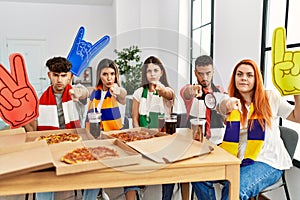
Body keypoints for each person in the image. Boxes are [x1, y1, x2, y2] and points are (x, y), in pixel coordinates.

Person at [192, 59, 300, 200]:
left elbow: (297, 117)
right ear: (234, 78)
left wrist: (295, 89)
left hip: (268, 161)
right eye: (239, 74)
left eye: (249, 75)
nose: (244, 78)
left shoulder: (269, 97)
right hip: (238, 159)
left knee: (234, 190)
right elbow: (221, 105)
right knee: (197, 175)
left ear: (256, 79)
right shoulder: (230, 101)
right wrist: (227, 105)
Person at [24, 57, 101, 200]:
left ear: (70, 76)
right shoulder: (39, 99)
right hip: (50, 145)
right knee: (43, 178)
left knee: (95, 175)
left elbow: (87, 91)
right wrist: (22, 119)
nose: (59, 80)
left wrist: (80, 92)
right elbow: (33, 131)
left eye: (63, 75)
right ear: (49, 75)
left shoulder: (75, 93)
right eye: (55, 75)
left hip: (75, 143)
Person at [162, 55, 226, 200]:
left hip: (217, 144)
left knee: (198, 173)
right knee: (170, 162)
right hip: (193, 143)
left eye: (208, 73)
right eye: (201, 73)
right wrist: (193, 90)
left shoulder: (221, 92)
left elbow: (226, 113)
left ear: (213, 72)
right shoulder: (189, 90)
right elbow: (186, 92)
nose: (204, 77)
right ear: (195, 73)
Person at [86, 58, 142, 200]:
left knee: (128, 168)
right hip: (97, 139)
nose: (109, 78)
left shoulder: (118, 93)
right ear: (99, 75)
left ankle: (132, 195)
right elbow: (86, 92)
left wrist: (117, 90)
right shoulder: (94, 93)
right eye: (105, 74)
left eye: (112, 74)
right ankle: (97, 193)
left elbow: (122, 94)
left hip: (116, 139)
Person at [132, 56, 174, 129]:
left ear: (161, 73)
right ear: (145, 74)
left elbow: (169, 94)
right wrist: (139, 134)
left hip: (163, 135)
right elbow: (135, 120)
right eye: (149, 71)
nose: (152, 74)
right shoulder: (138, 92)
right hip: (143, 135)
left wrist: (162, 90)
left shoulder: (167, 90)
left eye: (156, 70)